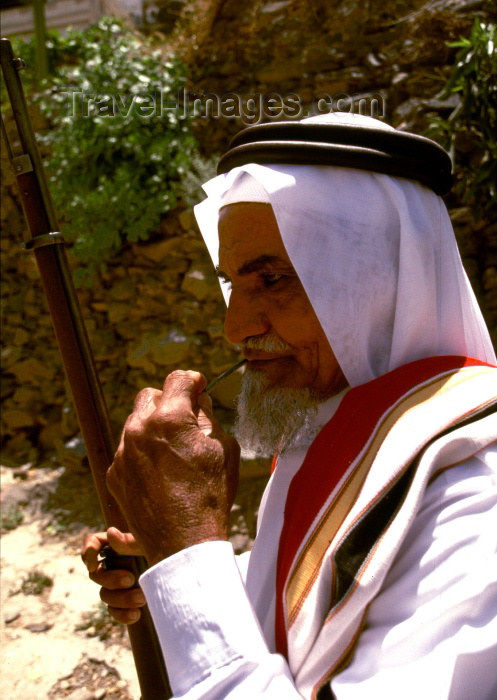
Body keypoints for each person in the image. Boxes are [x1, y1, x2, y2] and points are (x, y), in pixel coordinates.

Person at [82, 114, 497, 699]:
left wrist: (190, 558)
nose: (235, 328)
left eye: (274, 279)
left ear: (380, 281)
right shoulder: (337, 432)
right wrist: (170, 560)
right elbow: (314, 609)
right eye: (233, 285)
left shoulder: (478, 498)